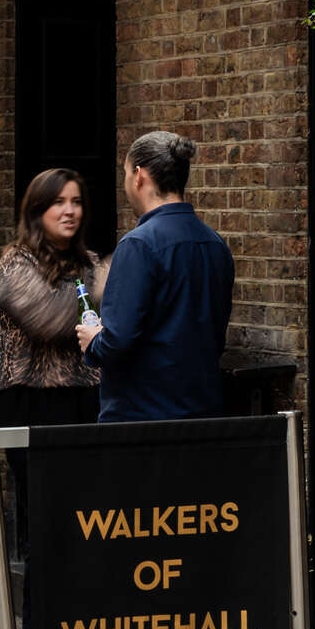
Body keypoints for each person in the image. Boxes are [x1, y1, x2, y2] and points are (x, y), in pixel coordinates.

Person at [0, 169, 101, 629]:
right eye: (58, 203)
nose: (70, 211)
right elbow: (52, 319)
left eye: (77, 201)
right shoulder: (14, 264)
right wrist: (104, 287)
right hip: (29, 403)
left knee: (84, 526)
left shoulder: (90, 263)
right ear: (37, 211)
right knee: (44, 530)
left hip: (82, 403)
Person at [77, 131, 233, 421]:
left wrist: (94, 340)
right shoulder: (215, 244)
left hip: (142, 420)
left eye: (125, 173)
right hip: (204, 413)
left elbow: (117, 342)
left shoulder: (138, 244)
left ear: (139, 175)